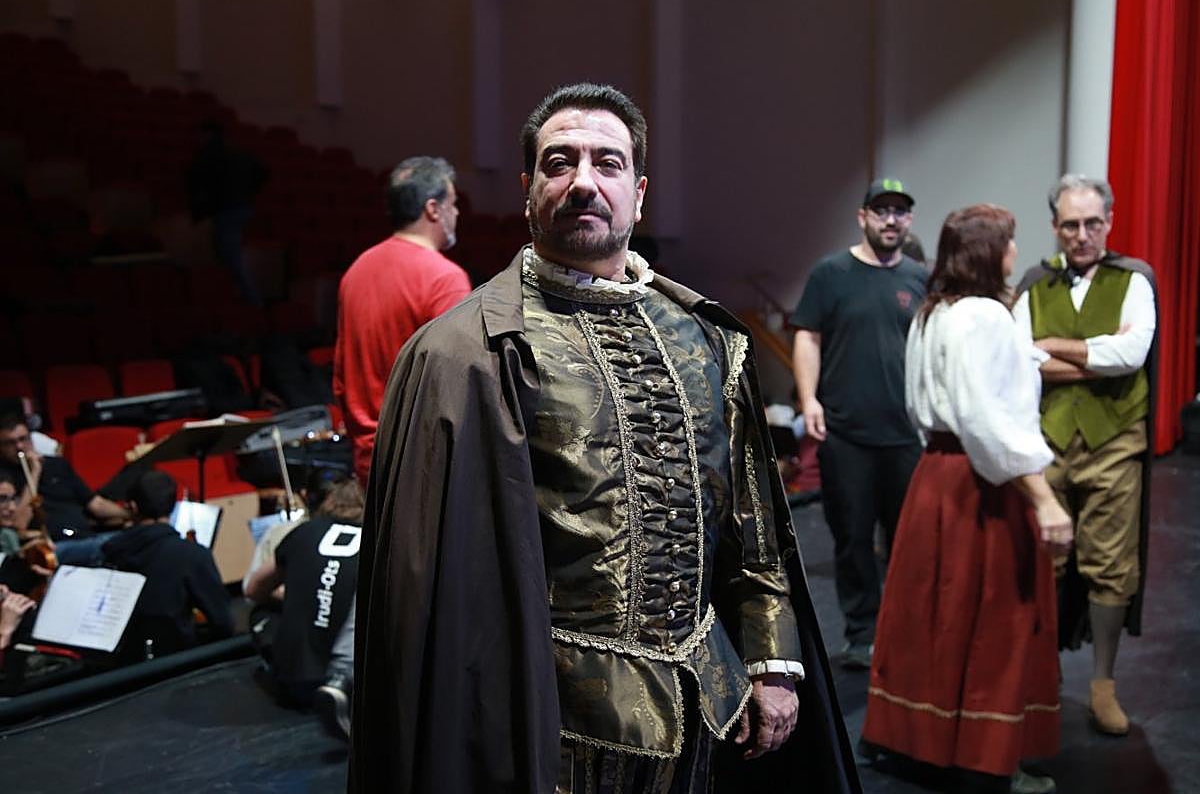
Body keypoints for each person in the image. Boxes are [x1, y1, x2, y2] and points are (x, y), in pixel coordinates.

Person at [350, 83, 859, 794]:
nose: (583, 181)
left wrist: (773, 661)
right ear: (529, 189)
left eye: (607, 163)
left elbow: (754, 523)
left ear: (640, 192)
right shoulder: (466, 353)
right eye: (560, 163)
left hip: (707, 701)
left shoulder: (705, 337)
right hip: (550, 720)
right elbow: (431, 590)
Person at [861, 204, 1074, 794]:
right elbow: (986, 421)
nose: (1013, 254)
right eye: (1008, 244)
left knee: (935, 617)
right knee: (995, 621)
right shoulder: (981, 316)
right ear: (988, 252)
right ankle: (988, 756)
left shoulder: (937, 311)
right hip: (982, 484)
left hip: (938, 475)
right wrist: (1044, 498)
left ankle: (924, 741)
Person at [1013, 174, 1157, 737]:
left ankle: (1102, 684)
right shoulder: (1034, 283)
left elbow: (1133, 352)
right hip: (1044, 443)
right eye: (1070, 224)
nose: (1081, 234)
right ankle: (1041, 678)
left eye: (1092, 223)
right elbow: (1021, 358)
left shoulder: (1134, 280)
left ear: (1109, 222)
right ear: (1055, 226)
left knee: (1110, 565)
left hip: (1114, 444)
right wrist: (1093, 357)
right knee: (1042, 563)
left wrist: (1053, 348)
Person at [789, 179, 929, 669]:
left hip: (906, 435)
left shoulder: (919, 277)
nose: (892, 220)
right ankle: (862, 633)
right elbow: (808, 336)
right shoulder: (831, 273)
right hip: (845, 433)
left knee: (907, 541)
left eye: (900, 212)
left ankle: (905, 628)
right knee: (852, 538)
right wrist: (809, 400)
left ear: (909, 221)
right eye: (882, 210)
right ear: (863, 216)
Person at [333, 156, 471, 487]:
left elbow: (341, 379)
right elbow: (457, 390)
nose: (458, 213)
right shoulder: (444, 279)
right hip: (423, 470)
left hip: (369, 464)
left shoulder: (356, 271)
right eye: (453, 203)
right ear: (433, 209)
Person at [244, 475, 361, 727]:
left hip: (295, 681)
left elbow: (253, 589)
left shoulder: (304, 531)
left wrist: (303, 594)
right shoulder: (377, 538)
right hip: (354, 671)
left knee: (261, 612)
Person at [101, 470, 233, 659]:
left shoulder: (110, 553)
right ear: (172, 506)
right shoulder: (192, 554)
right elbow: (223, 624)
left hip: (123, 664)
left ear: (133, 507)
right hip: (178, 664)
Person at [0, 413, 130, 565]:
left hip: (86, 536)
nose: (19, 447)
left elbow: (96, 504)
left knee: (138, 536)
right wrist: (34, 472)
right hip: (51, 547)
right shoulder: (4, 479)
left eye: (23, 439)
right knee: (114, 545)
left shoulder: (57, 465)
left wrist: (131, 515)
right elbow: (19, 523)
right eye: (10, 443)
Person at [186, 120, 269, 305]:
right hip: (239, 208)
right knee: (226, 256)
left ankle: (252, 301)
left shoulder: (210, 155)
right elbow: (261, 172)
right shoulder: (237, 153)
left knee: (230, 258)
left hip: (227, 210)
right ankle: (237, 299)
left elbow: (197, 184)